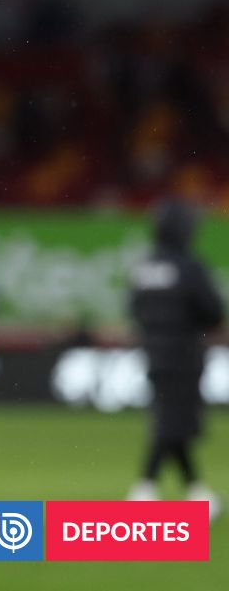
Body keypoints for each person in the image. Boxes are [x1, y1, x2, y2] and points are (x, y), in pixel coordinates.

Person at [127, 199, 225, 520]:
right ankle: (144, 489)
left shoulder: (145, 268)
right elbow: (213, 312)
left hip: (153, 354)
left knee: (172, 421)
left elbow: (134, 309)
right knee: (173, 423)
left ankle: (196, 492)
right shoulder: (188, 267)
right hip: (184, 355)